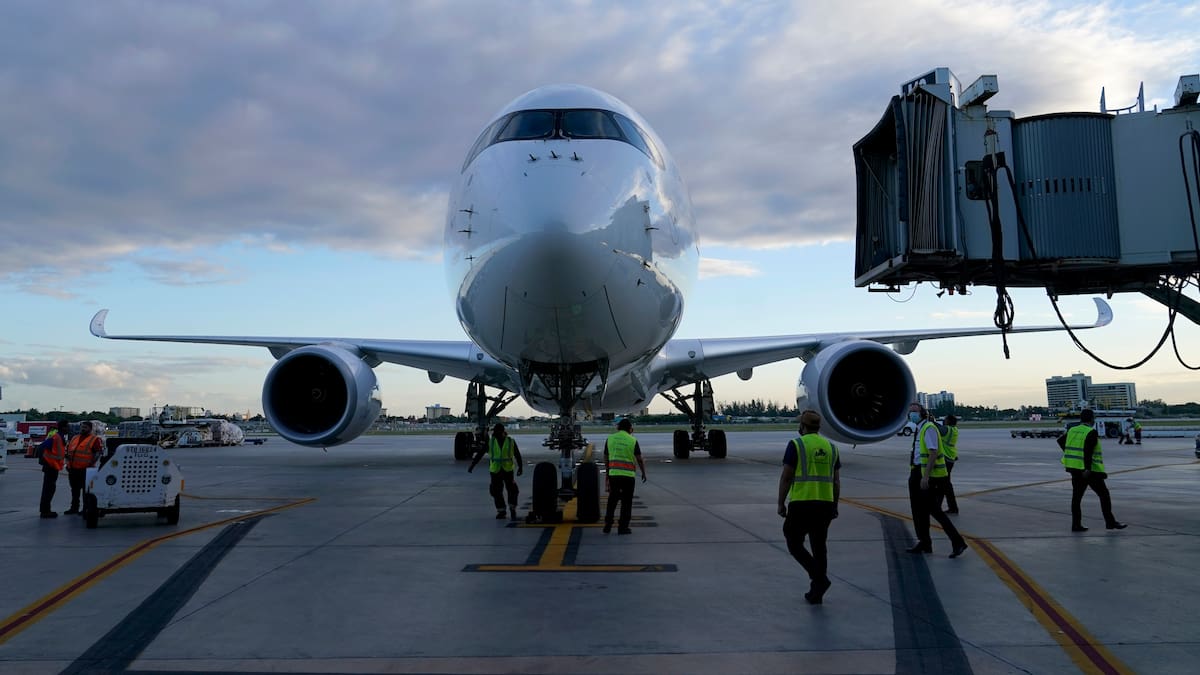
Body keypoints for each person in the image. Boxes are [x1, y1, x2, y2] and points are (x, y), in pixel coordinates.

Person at [777, 410, 840, 604]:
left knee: (793, 541)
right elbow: (836, 481)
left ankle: (819, 578)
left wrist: (781, 502)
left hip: (802, 503)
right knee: (819, 546)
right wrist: (834, 505)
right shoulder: (831, 447)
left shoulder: (796, 444)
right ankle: (817, 591)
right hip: (825, 504)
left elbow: (787, 476)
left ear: (802, 426)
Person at [906, 403, 968, 558]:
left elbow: (933, 453)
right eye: (910, 412)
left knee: (934, 510)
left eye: (913, 411)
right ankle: (925, 542)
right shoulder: (920, 429)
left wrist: (926, 476)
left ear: (922, 413)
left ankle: (958, 542)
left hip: (927, 475)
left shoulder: (929, 429)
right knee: (919, 511)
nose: (910, 414)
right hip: (916, 472)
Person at [1058, 408, 1126, 532]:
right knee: (1104, 495)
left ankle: (1076, 524)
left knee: (1076, 498)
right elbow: (1087, 451)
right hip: (1090, 472)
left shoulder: (1073, 430)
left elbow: (1060, 440)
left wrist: (1068, 452)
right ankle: (1110, 522)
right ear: (1091, 419)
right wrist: (1087, 469)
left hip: (1074, 469)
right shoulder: (1091, 432)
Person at [467, 423, 524, 520]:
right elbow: (480, 454)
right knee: (496, 491)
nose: (494, 433)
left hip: (507, 469)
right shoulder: (491, 442)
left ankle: (512, 508)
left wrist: (520, 467)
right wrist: (472, 465)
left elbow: (517, 454)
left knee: (512, 490)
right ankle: (501, 510)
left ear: (501, 431)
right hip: (496, 470)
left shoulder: (510, 441)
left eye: (496, 431)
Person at [603, 418, 647, 535]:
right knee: (626, 503)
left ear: (617, 428)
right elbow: (639, 459)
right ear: (630, 429)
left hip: (614, 475)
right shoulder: (632, 440)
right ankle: (623, 528)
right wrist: (643, 472)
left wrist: (608, 473)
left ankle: (608, 524)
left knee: (612, 500)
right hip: (628, 476)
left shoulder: (610, 439)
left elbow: (606, 458)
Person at [64, 421, 104, 515]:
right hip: (73, 469)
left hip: (85, 469)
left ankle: (85, 508)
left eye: (85, 427)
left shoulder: (94, 439)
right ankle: (74, 508)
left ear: (90, 429)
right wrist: (67, 463)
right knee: (74, 490)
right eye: (82, 427)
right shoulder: (74, 438)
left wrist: (91, 463)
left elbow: (98, 452)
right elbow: (68, 451)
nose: (83, 429)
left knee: (86, 491)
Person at [36, 420, 69, 518]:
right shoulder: (56, 437)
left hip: (53, 466)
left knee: (50, 488)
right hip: (50, 466)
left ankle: (46, 510)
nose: (69, 429)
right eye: (68, 427)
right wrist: (44, 460)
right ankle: (45, 511)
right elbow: (41, 447)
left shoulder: (59, 437)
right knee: (48, 489)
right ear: (63, 428)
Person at [940, 415, 960, 514]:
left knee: (944, 484)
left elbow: (939, 429)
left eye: (945, 420)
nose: (943, 421)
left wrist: (930, 420)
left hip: (946, 459)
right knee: (946, 484)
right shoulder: (954, 430)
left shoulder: (947, 430)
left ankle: (951, 507)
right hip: (951, 457)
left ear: (948, 422)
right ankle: (952, 507)